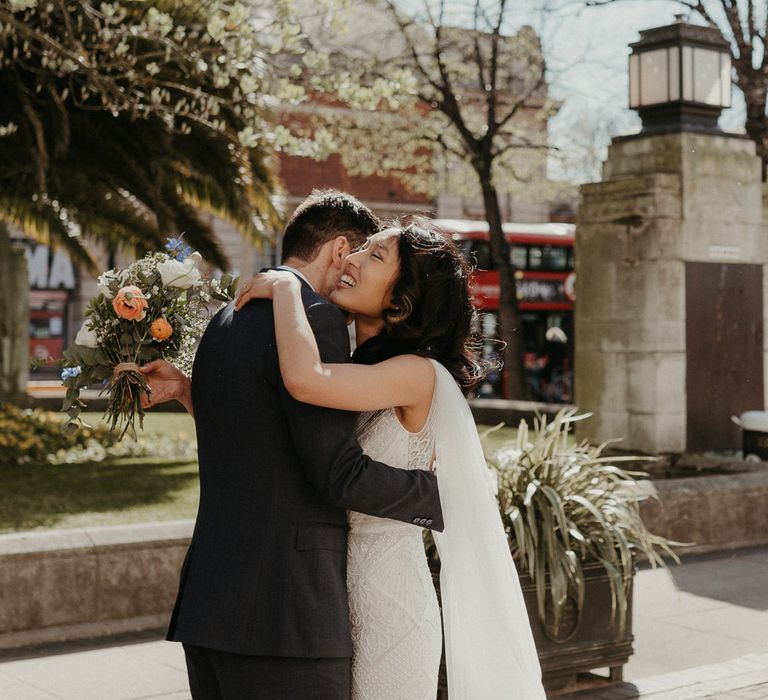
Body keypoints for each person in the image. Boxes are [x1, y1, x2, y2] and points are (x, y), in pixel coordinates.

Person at [139, 191, 444, 700]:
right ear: (339, 248)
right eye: (362, 253)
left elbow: (256, 434)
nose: (355, 269)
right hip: (287, 614)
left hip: (209, 605)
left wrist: (187, 389)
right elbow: (336, 472)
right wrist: (440, 497)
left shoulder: (225, 319)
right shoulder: (314, 317)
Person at [236, 222, 546, 699]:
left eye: (375, 256)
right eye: (360, 248)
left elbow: (306, 380)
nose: (353, 258)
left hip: (391, 605)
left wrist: (286, 288)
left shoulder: (415, 374)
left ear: (400, 302)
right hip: (331, 599)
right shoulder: (359, 363)